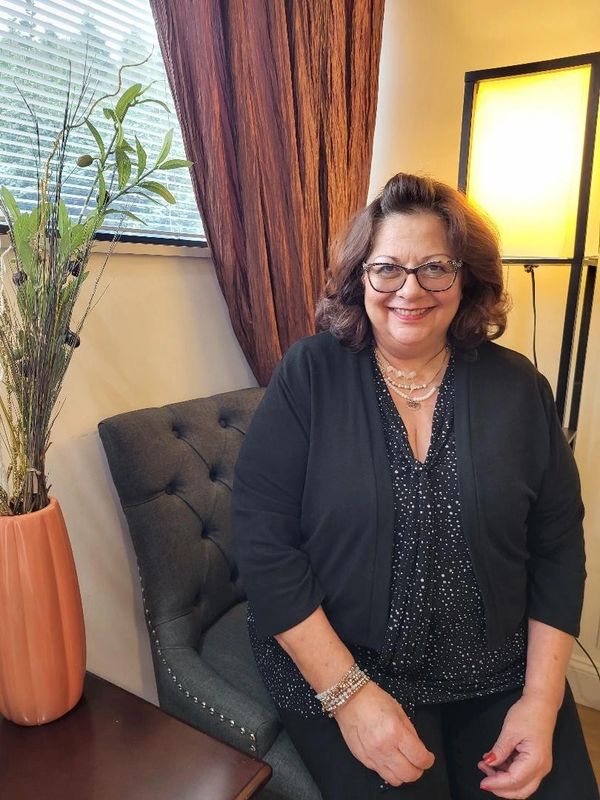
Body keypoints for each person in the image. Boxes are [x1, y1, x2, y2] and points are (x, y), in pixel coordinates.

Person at [232, 173, 598, 799]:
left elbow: (559, 548)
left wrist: (541, 700)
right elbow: (263, 544)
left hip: (499, 668)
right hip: (345, 665)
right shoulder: (309, 375)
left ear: (466, 278)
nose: (410, 289)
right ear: (361, 278)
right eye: (387, 268)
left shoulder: (520, 389)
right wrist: (349, 698)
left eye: (435, 267)